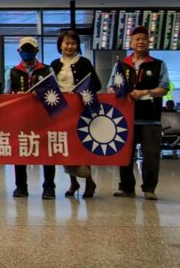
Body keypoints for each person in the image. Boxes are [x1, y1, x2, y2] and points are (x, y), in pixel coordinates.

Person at [109, 26, 170, 200]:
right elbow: (110, 87)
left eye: (144, 39)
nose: (141, 42)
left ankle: (149, 188)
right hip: (125, 119)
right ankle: (126, 187)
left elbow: (164, 88)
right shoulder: (121, 64)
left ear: (148, 42)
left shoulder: (158, 64)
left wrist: (144, 92)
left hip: (150, 119)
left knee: (151, 155)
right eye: (137, 39)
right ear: (131, 42)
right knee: (125, 154)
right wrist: (118, 92)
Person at [51, 30, 101, 198]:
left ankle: (89, 181)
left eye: (73, 43)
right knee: (66, 145)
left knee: (81, 144)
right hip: (62, 110)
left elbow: (96, 84)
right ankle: (73, 182)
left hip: (81, 110)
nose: (69, 46)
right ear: (60, 45)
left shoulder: (85, 62)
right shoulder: (54, 64)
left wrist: (80, 91)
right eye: (66, 43)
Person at [6, 36, 56, 199]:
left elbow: (56, 92)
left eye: (30, 50)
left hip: (44, 119)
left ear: (36, 51)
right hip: (21, 119)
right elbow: (5, 97)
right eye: (24, 50)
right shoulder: (12, 71)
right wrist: (15, 96)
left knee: (47, 151)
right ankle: (21, 186)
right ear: (19, 51)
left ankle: (49, 187)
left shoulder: (47, 71)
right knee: (20, 151)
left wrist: (40, 93)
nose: (27, 53)